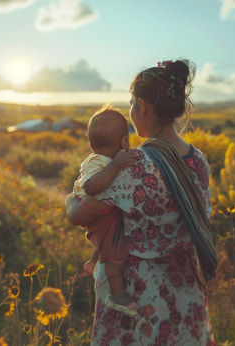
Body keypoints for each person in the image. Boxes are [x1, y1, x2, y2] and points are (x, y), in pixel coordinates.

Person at [66, 59, 218, 345]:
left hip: (140, 295)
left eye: (132, 103)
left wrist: (70, 199)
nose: (131, 111)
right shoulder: (199, 161)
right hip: (186, 290)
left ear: (143, 107)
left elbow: (80, 214)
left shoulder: (133, 167)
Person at [72, 104, 138, 316]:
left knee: (107, 239)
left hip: (97, 210)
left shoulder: (101, 159)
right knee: (114, 255)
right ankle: (117, 294)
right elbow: (91, 187)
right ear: (124, 142)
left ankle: (92, 262)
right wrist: (116, 165)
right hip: (93, 209)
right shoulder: (100, 162)